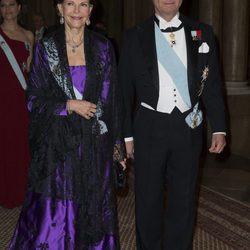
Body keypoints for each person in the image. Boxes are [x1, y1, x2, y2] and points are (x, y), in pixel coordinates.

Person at [8, 0, 125, 249]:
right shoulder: (46, 47)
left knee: (93, 208)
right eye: (70, 3)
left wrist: (117, 149)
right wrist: (68, 105)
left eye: (83, 5)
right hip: (57, 148)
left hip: (93, 145)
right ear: (60, 9)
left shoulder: (103, 46)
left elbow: (112, 100)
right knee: (58, 211)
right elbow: (33, 99)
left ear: (91, 11)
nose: (76, 11)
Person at [119, 0, 226, 249]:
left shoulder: (203, 32)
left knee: (184, 198)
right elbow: (123, 91)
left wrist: (218, 127)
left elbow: (212, 85)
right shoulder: (134, 35)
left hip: (188, 127)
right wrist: (126, 135)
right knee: (148, 198)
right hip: (149, 126)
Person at [0, 0, 34, 208]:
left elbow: (28, 70)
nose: (7, 9)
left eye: (11, 4)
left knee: (20, 144)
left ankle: (19, 192)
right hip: (2, 98)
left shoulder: (29, 35)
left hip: (20, 99)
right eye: (3, 5)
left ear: (19, 7)